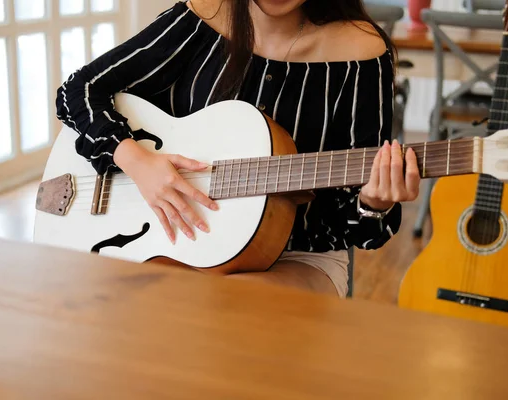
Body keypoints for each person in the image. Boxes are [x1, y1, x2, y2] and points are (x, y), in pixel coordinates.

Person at [56, 0, 420, 298]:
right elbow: (79, 91)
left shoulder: (363, 53)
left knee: (218, 310)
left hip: (297, 257)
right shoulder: (202, 17)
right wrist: (137, 161)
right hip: (181, 243)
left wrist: (375, 203)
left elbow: (356, 226)